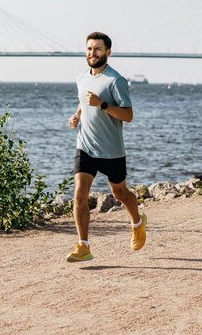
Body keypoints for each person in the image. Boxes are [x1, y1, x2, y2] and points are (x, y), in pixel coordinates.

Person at [66, 31, 146, 262]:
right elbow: (84, 101)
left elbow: (128, 115)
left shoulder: (116, 80)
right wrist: (77, 115)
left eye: (98, 49)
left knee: (119, 192)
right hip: (85, 146)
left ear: (108, 52)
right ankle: (83, 246)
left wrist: (102, 105)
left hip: (111, 149)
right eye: (89, 48)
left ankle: (137, 223)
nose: (93, 53)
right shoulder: (81, 78)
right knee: (80, 194)